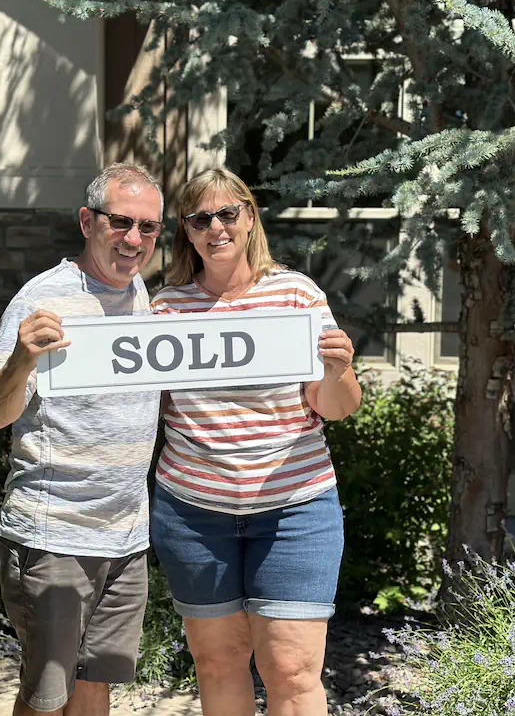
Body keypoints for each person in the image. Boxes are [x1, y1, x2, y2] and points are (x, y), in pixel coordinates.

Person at [149, 167, 361, 716]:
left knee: (292, 669)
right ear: (186, 231)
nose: (215, 227)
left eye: (227, 213)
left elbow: (335, 406)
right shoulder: (164, 310)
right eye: (200, 218)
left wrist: (339, 370)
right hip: (193, 513)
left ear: (249, 217)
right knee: (217, 662)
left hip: (296, 509)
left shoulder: (295, 295)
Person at [0, 163, 165, 716]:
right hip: (54, 535)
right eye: (121, 222)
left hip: (126, 538)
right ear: (88, 221)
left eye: (149, 228)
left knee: (94, 690)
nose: (134, 240)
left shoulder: (144, 299)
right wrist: (21, 358)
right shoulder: (44, 299)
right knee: (45, 700)